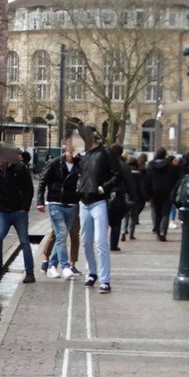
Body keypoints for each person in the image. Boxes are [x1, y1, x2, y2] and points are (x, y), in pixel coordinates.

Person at [76, 125, 122, 294]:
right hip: (84, 202)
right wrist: (79, 188)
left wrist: (104, 188)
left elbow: (117, 175)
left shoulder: (106, 153)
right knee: (86, 241)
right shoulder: (85, 155)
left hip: (99, 202)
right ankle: (92, 272)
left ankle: (105, 280)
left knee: (101, 242)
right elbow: (81, 175)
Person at [0, 145, 36, 282]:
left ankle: (30, 273)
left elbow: (29, 189)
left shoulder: (20, 168)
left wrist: (25, 208)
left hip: (19, 212)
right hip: (2, 212)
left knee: (24, 242)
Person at [37, 140, 79, 278]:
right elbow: (42, 180)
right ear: (64, 150)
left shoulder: (80, 164)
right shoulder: (55, 163)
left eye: (74, 151)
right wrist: (40, 201)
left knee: (62, 236)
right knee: (61, 234)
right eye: (69, 150)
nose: (71, 153)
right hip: (55, 202)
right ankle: (65, 266)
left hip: (71, 204)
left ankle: (52, 265)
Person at [146, 147, 180, 241]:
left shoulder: (151, 166)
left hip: (155, 192)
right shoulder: (171, 167)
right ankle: (162, 231)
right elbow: (176, 179)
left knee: (157, 213)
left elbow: (148, 180)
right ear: (165, 155)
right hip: (167, 193)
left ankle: (157, 230)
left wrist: (148, 194)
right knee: (165, 213)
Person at [122, 153, 149, 241]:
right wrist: (145, 197)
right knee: (133, 216)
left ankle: (123, 231)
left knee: (125, 215)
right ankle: (131, 234)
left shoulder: (125, 173)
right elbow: (141, 187)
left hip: (125, 196)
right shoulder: (139, 174)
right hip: (135, 197)